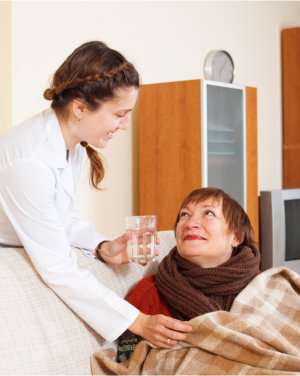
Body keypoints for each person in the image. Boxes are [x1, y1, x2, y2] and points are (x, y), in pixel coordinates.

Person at [0, 41, 192, 346]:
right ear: (80, 108)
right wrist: (139, 322)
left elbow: (59, 221)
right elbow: (58, 269)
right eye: (120, 114)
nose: (126, 125)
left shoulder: (70, 146)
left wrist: (102, 247)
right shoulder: (29, 160)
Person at [117, 187, 261, 361]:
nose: (190, 223)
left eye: (208, 213)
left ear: (236, 236)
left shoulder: (265, 287)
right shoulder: (148, 295)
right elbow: (128, 365)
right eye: (184, 215)